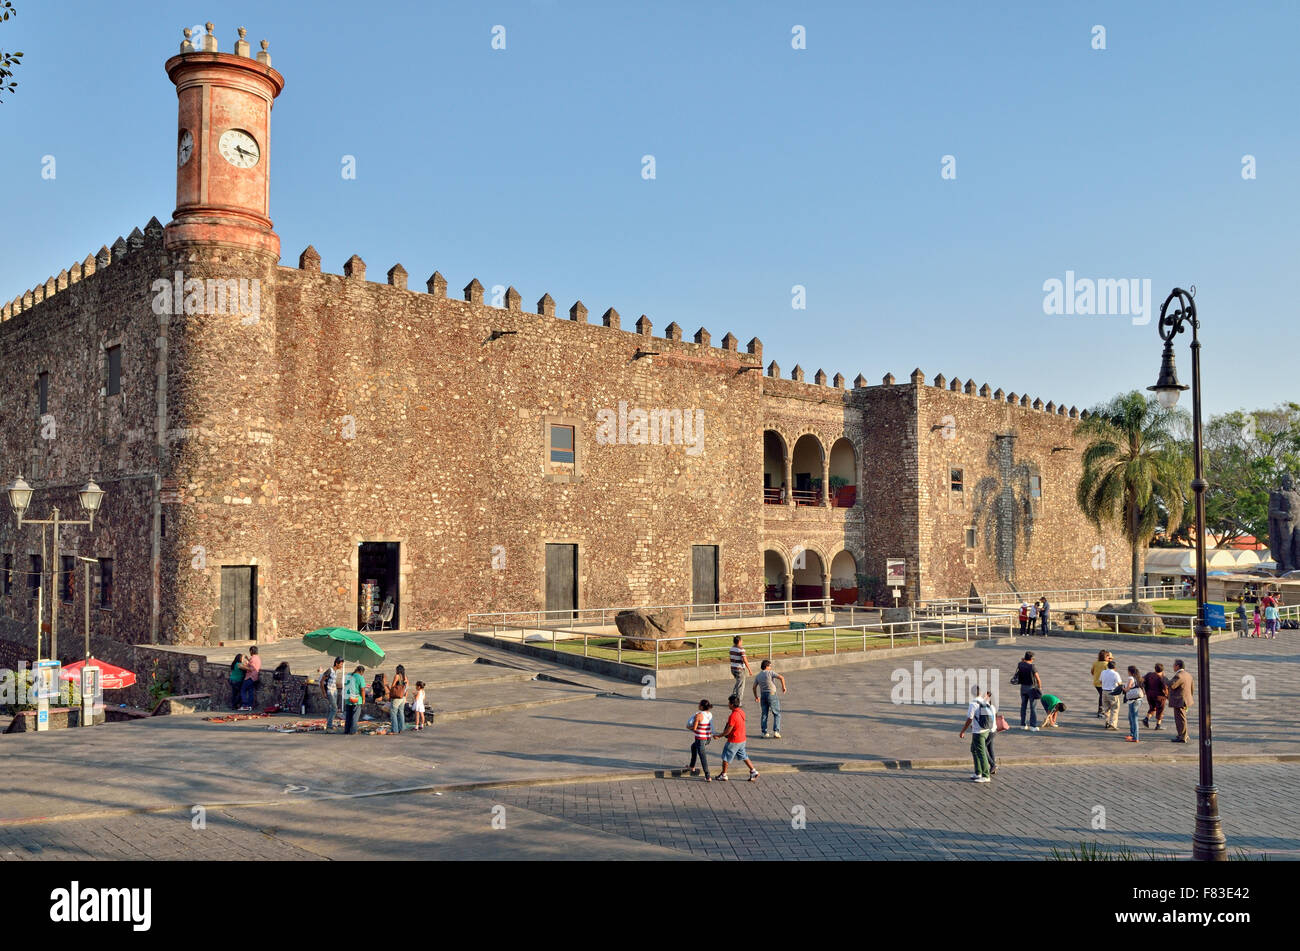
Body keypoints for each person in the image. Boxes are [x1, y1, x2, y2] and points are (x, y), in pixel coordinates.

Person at [715, 695, 758, 782]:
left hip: (734, 740)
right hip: (742, 739)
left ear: (732, 704)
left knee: (725, 757)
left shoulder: (733, 716)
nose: (728, 704)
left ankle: (724, 775)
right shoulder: (741, 712)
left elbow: (728, 731)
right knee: (744, 756)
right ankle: (753, 771)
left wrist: (719, 736)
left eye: (729, 703)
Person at [959, 685, 995, 782]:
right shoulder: (984, 701)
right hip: (986, 730)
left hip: (978, 732)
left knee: (981, 753)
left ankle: (985, 775)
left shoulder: (973, 704)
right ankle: (978, 772)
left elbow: (969, 719)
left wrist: (963, 731)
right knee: (974, 750)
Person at [752, 659, 787, 738]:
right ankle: (776, 731)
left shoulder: (758, 675)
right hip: (772, 694)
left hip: (763, 695)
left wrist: (756, 697)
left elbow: (754, 687)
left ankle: (764, 732)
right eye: (770, 666)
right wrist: (783, 687)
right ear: (767, 666)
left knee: (764, 714)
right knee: (776, 713)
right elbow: (781, 677)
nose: (771, 667)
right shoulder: (770, 672)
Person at [1167, 659, 1194, 744]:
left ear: (1177, 666)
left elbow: (1172, 685)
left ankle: (1183, 736)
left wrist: (1164, 679)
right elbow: (1192, 688)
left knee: (1180, 719)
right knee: (1182, 718)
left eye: (1174, 665)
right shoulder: (1188, 675)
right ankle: (1182, 734)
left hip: (1179, 701)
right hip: (1185, 700)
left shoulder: (1179, 675)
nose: (1173, 667)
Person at [685, 699, 713, 781]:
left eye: (699, 704)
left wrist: (688, 727)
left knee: (703, 757)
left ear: (702, 707)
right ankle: (692, 766)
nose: (698, 705)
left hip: (700, 739)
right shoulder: (709, 714)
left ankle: (708, 776)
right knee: (693, 747)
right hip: (708, 738)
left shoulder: (699, 715)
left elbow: (694, 728)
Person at [1015, 651, 1042, 731]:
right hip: (1031, 688)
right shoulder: (1032, 667)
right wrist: (1040, 688)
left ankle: (1023, 724)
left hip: (1023, 687)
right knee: (1033, 707)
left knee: (1023, 706)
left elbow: (1022, 661)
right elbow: (1038, 679)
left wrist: (1024, 660)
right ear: (1031, 658)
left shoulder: (1020, 664)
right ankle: (1033, 726)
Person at [321, 656, 344, 732]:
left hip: (334, 691)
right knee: (334, 708)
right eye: (341, 664)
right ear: (336, 663)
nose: (341, 666)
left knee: (332, 708)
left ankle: (330, 724)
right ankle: (329, 727)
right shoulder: (330, 670)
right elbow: (322, 681)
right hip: (330, 691)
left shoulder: (335, 671)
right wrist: (324, 692)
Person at [1142, 663, 1168, 731]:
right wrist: (1167, 696)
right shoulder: (1162, 678)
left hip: (1149, 694)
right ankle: (1158, 725)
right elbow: (1165, 688)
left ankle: (1146, 719)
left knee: (1152, 707)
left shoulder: (1149, 674)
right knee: (1160, 710)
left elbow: (1142, 680)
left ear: (1155, 669)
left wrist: (1144, 689)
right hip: (1159, 696)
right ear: (1162, 670)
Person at [728, 636, 753, 705]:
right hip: (740, 669)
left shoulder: (731, 648)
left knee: (738, 683)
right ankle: (738, 702)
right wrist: (749, 669)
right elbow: (745, 660)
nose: (742, 642)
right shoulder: (741, 650)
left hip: (733, 668)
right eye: (741, 641)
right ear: (739, 641)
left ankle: (733, 697)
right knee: (740, 686)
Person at [343, 665, 366, 734]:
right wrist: (363, 699)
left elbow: (345, 685)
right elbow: (362, 689)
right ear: (361, 671)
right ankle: (353, 731)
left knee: (348, 716)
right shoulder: (360, 677)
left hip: (348, 698)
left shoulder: (348, 675)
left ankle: (347, 730)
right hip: (356, 699)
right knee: (355, 716)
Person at [1099, 660, 1122, 730]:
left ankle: (1107, 722)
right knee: (1115, 708)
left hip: (1104, 691)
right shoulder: (1115, 674)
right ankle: (1113, 724)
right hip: (1112, 692)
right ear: (1114, 667)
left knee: (1106, 708)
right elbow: (1119, 683)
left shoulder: (1103, 672)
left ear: (1107, 666)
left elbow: (1100, 681)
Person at [1123, 665, 1143, 743]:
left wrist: (1122, 688)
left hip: (1133, 700)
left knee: (1134, 718)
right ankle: (1132, 734)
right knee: (1130, 717)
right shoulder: (1138, 678)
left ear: (1129, 672)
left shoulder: (1131, 678)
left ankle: (1135, 737)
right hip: (1139, 699)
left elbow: (1127, 689)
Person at [1090, 650, 1112, 718]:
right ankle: (1100, 711)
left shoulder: (1095, 663)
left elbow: (1092, 672)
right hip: (1103, 683)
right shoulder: (1106, 664)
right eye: (1108, 657)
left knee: (1102, 696)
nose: (1109, 658)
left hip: (1096, 682)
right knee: (1102, 697)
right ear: (1105, 657)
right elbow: (1110, 673)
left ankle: (1103, 709)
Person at [240, 645, 261, 710]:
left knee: (243, 690)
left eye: (250, 651)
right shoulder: (258, 658)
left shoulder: (253, 658)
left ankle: (245, 705)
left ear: (251, 651)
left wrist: (242, 666)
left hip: (250, 677)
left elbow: (250, 668)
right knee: (250, 692)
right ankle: (250, 706)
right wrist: (247, 659)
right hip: (255, 677)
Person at [388, 664, 408, 734]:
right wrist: (405, 697)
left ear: (397, 670)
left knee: (393, 713)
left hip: (396, 697)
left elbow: (392, 687)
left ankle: (395, 730)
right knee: (401, 713)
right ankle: (401, 728)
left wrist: (387, 688)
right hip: (403, 697)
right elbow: (407, 688)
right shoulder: (405, 677)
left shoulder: (397, 676)